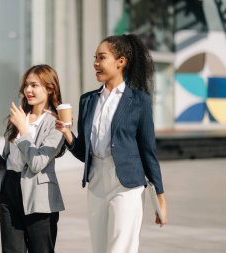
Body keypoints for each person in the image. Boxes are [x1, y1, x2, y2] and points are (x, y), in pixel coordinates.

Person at [55, 34, 167, 253]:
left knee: (120, 249)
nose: (96, 63)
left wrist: (160, 198)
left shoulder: (139, 100)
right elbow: (84, 152)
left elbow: (148, 151)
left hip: (126, 185)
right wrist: (67, 134)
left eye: (102, 57)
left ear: (121, 61)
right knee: (100, 248)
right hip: (96, 182)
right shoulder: (87, 100)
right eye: (94, 58)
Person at [0, 64, 66, 253]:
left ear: (50, 88)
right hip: (9, 189)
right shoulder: (20, 117)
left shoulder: (57, 124)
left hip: (39, 196)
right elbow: (8, 160)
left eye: (34, 85)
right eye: (26, 85)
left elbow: (37, 163)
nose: (28, 90)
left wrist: (25, 131)